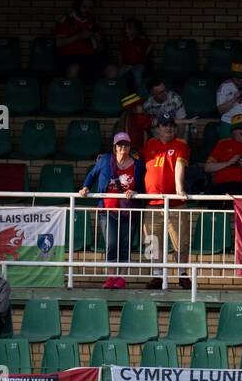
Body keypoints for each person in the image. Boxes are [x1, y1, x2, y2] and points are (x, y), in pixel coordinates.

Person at [81, 133, 146, 289]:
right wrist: (85, 187)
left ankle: (121, 277)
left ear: (130, 147)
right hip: (107, 209)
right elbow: (92, 174)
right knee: (111, 243)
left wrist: (135, 192)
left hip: (128, 210)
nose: (123, 148)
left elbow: (142, 186)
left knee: (125, 244)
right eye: (120, 145)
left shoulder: (137, 164)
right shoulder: (105, 160)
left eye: (126, 145)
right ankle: (111, 276)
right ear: (114, 147)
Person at [142, 113, 191, 290]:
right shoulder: (150, 145)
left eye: (171, 125)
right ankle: (157, 276)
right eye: (164, 125)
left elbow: (179, 166)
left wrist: (179, 190)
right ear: (158, 128)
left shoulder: (180, 144)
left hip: (176, 204)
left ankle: (182, 274)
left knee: (181, 241)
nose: (168, 128)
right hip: (152, 203)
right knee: (152, 240)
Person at [55, 0, 104, 80]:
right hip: (69, 58)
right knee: (74, 68)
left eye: (90, 8)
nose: (87, 10)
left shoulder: (94, 22)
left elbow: (100, 48)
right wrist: (79, 36)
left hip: (89, 59)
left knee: (112, 69)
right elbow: (58, 43)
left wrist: (98, 40)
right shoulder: (66, 19)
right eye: (84, 7)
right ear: (78, 6)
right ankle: (71, 93)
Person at [205, 113, 242, 198]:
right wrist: (229, 163)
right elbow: (208, 167)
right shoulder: (223, 144)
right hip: (223, 186)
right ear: (233, 131)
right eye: (240, 128)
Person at [116, 18, 152, 94]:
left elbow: (150, 45)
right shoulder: (123, 41)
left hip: (138, 65)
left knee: (137, 74)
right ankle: (120, 93)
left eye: (129, 28)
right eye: (126, 28)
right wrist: (121, 65)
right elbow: (119, 53)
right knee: (119, 74)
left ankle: (139, 94)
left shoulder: (141, 40)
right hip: (127, 65)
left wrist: (145, 55)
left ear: (136, 30)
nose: (127, 30)